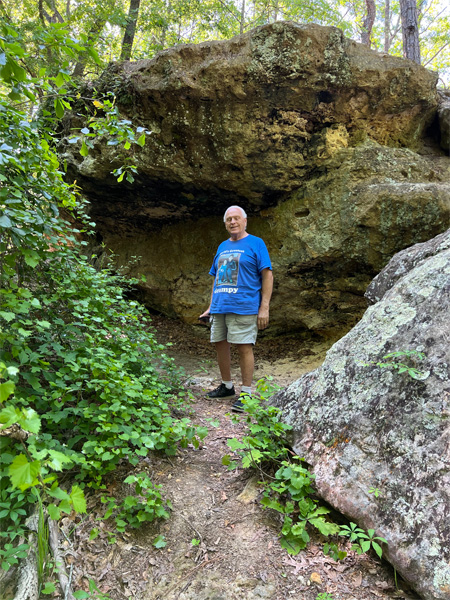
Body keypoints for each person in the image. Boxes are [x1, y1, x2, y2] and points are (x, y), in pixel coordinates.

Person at [199, 205, 273, 412]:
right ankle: (227, 386)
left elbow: (267, 275)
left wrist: (264, 307)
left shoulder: (256, 243)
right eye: (229, 219)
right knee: (220, 344)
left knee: (244, 347)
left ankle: (247, 394)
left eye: (236, 218)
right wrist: (210, 306)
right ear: (225, 224)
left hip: (244, 305)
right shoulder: (222, 246)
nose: (232, 222)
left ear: (245, 221)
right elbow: (218, 279)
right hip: (220, 306)